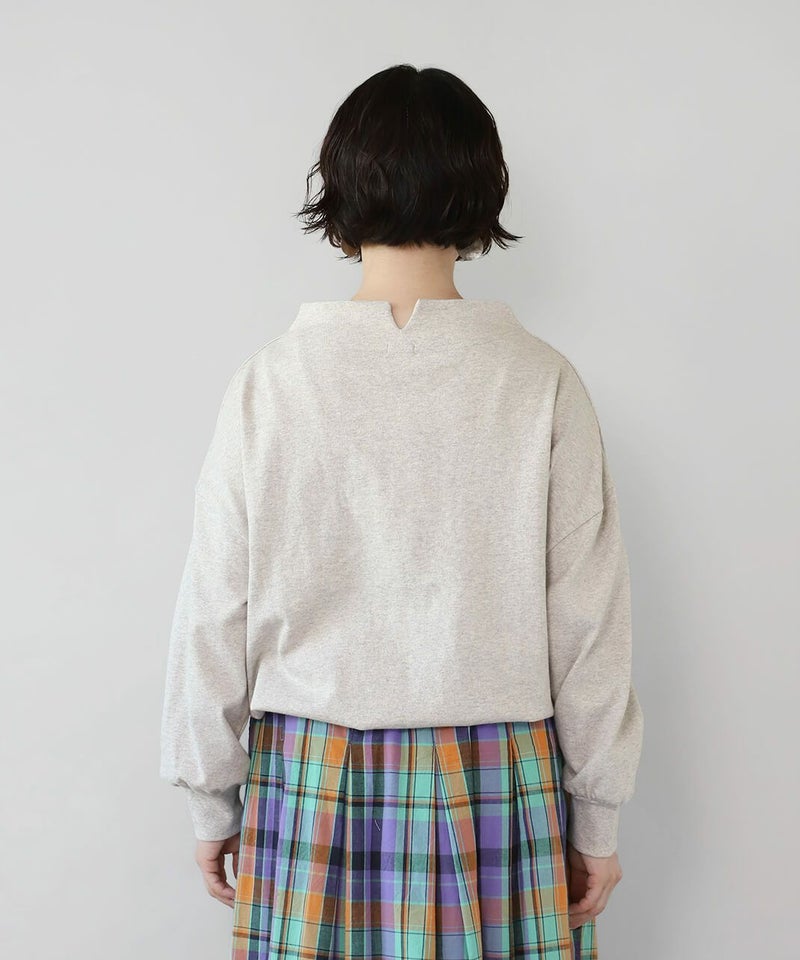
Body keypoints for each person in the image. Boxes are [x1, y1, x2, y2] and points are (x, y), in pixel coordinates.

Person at [159, 63, 644, 960]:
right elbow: (588, 620)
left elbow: (214, 611)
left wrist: (210, 800)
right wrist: (598, 816)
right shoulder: (541, 382)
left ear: (339, 189)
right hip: (499, 779)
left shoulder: (269, 385)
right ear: (483, 189)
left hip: (308, 777)